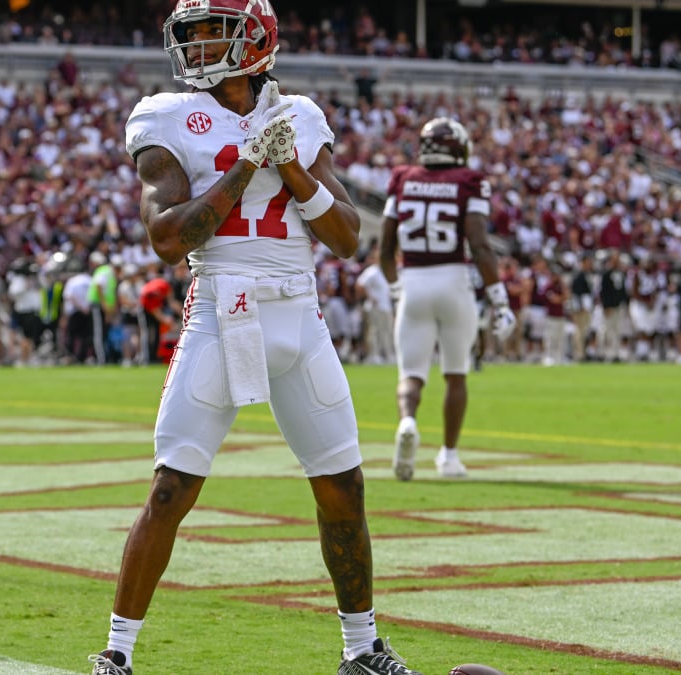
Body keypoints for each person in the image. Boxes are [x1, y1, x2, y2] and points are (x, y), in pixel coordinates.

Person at [90, 2, 420, 674]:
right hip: (220, 307)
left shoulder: (299, 114)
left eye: (215, 29)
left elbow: (349, 236)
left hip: (300, 311)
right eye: (194, 32)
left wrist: (291, 167)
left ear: (256, 38)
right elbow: (168, 236)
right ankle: (117, 654)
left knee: (344, 487)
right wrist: (244, 166)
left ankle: (361, 648)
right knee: (171, 488)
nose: (200, 44)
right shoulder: (165, 115)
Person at [378, 117, 515, 482]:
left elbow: (384, 249)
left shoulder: (404, 178)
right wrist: (499, 300)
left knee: (410, 375)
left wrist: (396, 290)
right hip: (454, 280)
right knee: (456, 374)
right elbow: (480, 244)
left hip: (414, 282)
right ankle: (449, 456)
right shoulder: (468, 182)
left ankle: (407, 421)